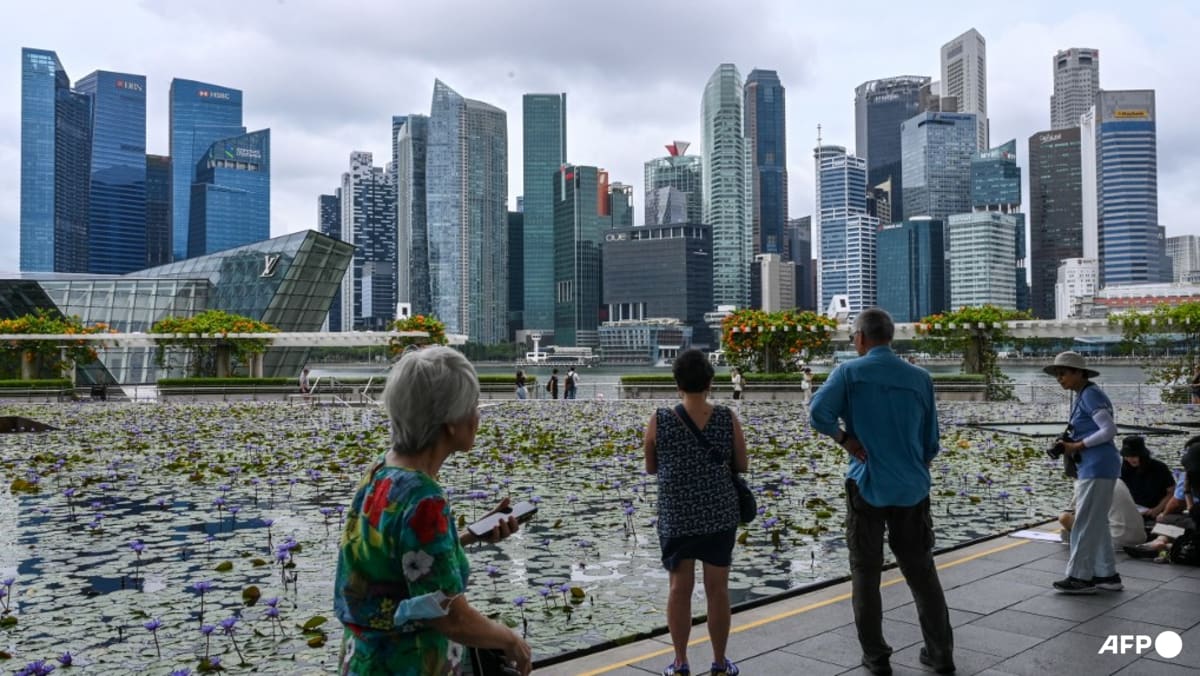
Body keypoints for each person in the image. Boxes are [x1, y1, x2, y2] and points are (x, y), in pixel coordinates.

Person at [333, 347, 532, 675]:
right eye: (473, 405)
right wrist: (510, 640)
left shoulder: (380, 472)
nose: (477, 415)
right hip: (408, 664)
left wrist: (466, 536)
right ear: (450, 422)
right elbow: (449, 614)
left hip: (362, 661)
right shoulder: (425, 499)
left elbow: (394, 562)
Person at [809, 308, 954, 676]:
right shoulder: (920, 378)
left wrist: (845, 439)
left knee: (865, 574)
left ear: (860, 337)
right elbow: (931, 443)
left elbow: (817, 414)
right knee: (922, 572)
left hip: (867, 484)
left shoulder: (849, 373)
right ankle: (941, 655)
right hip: (912, 488)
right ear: (891, 337)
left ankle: (876, 659)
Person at [643, 348, 748, 676]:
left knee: (679, 588)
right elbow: (741, 464)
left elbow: (650, 467)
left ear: (677, 383)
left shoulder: (660, 420)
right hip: (719, 515)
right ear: (710, 382)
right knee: (718, 589)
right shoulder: (726, 417)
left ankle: (680, 663)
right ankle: (718, 662)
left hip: (677, 517)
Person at [1044, 350, 1122, 594]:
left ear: (1079, 373)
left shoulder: (1090, 395)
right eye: (1057, 374)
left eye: (1064, 373)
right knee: (1096, 522)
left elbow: (1109, 430)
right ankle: (1107, 575)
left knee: (1084, 523)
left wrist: (1077, 445)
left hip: (1096, 466)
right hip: (1097, 465)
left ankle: (1080, 577)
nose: (1060, 378)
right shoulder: (1085, 394)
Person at [1126, 436, 1199, 559]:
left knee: (1167, 518)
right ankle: (1160, 542)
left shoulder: (1188, 473)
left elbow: (1176, 502)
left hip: (1194, 518)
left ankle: (1163, 544)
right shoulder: (1124, 468)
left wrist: (1161, 512)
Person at [1060, 477, 1147, 548]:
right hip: (1140, 537)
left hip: (1116, 541)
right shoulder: (1117, 480)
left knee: (1065, 518)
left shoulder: (1084, 482)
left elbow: (1074, 515)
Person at [1119, 436, 1175, 518]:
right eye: (1127, 456)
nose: (1130, 459)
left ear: (1142, 455)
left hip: (1156, 510)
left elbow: (1171, 492)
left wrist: (1157, 509)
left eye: (1134, 456)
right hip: (1132, 509)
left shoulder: (1159, 468)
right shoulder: (1122, 469)